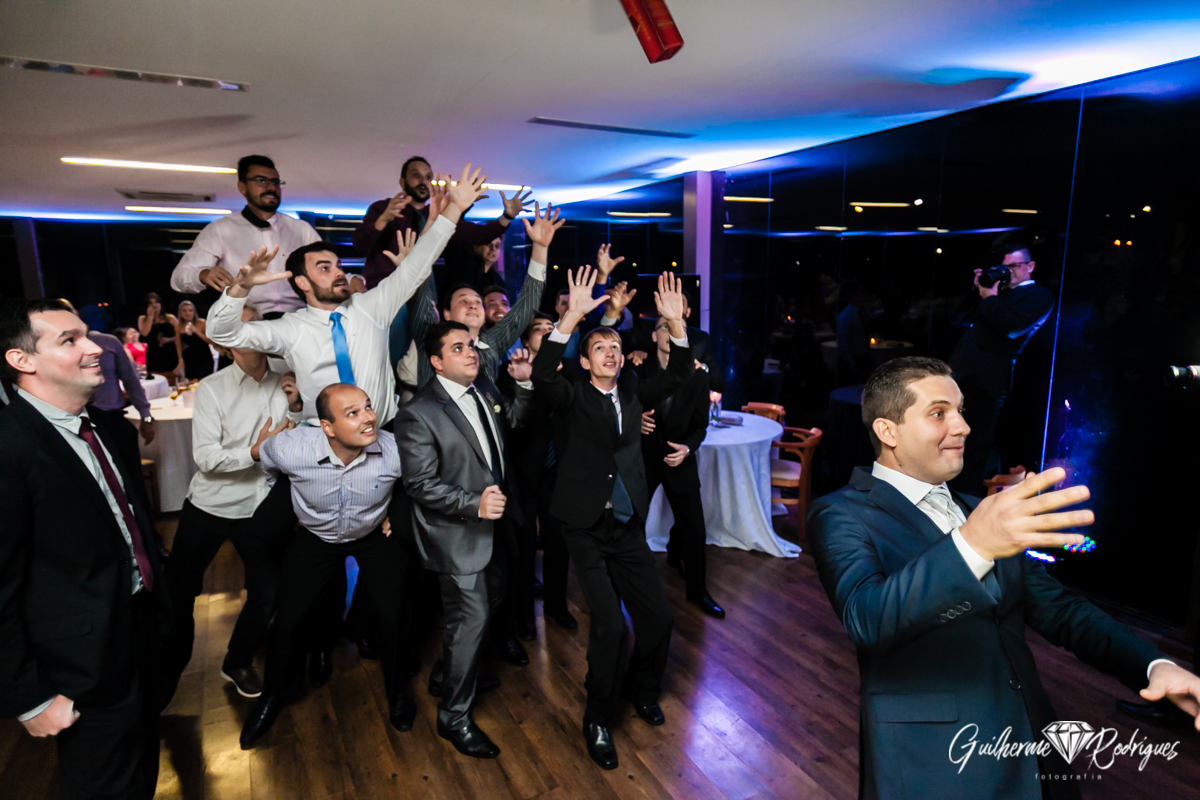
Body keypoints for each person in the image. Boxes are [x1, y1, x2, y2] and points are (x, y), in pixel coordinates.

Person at [806, 356, 1200, 799]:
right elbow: (868, 620)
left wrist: (1153, 665)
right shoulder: (841, 513)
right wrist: (972, 545)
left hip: (1031, 740)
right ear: (888, 431)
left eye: (960, 412)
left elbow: (1061, 610)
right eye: (939, 413)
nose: (962, 427)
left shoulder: (979, 509)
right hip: (932, 762)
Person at [1, 299, 168, 800]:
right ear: (22, 361)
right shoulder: (10, 449)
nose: (95, 348)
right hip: (79, 666)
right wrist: (29, 699)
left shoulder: (106, 428)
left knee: (140, 772)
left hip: (139, 635)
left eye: (87, 335)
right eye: (70, 340)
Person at [531, 268, 692, 770]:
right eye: (600, 347)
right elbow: (541, 376)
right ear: (585, 359)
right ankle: (598, 717)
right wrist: (572, 319)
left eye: (616, 347)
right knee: (608, 625)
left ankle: (642, 689)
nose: (611, 352)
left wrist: (676, 326)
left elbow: (681, 374)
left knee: (658, 619)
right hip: (583, 524)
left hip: (626, 526)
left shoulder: (633, 390)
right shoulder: (570, 395)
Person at [205, 163, 489, 428]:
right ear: (302, 282)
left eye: (338, 265)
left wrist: (453, 210)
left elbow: (418, 264)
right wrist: (240, 289)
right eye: (325, 268)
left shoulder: (371, 306)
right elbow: (223, 334)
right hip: (320, 445)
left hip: (383, 437)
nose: (339, 272)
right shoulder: (290, 328)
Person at [240, 383, 416, 747]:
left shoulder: (396, 451)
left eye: (368, 407)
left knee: (394, 616)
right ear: (327, 427)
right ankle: (272, 695)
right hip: (315, 536)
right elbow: (268, 463)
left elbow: (415, 486)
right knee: (288, 621)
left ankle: (398, 691)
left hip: (372, 536)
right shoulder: (292, 449)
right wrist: (289, 503)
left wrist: (395, 514)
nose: (369, 417)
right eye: (353, 413)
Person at [396, 321, 534, 758]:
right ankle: (453, 716)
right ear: (436, 362)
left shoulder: (485, 390)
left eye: (471, 345)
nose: (471, 352)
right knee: (469, 620)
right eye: (458, 348)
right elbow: (418, 484)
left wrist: (525, 386)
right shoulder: (419, 413)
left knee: (492, 599)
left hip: (495, 527)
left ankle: (448, 672)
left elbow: (512, 422)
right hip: (457, 534)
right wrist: (473, 503)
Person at [160, 302, 298, 704]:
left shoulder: (285, 383)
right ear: (227, 339)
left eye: (259, 325)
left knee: (267, 592)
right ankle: (165, 671)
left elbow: (297, 442)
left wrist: (296, 405)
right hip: (210, 506)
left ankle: (237, 661)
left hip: (260, 508)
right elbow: (205, 458)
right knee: (180, 591)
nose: (257, 333)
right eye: (246, 326)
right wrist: (254, 453)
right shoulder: (212, 389)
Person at [625, 301, 724, 619]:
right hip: (643, 458)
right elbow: (617, 408)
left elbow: (700, 425)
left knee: (694, 529)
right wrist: (635, 418)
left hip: (678, 457)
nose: (669, 331)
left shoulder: (697, 376)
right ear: (653, 338)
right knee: (632, 524)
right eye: (663, 326)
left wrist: (689, 449)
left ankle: (699, 592)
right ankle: (629, 588)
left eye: (674, 325)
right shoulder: (636, 367)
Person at [406, 202, 560, 390]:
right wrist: (438, 222)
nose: (472, 305)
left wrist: (540, 248)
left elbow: (527, 305)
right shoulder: (430, 339)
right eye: (464, 300)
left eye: (478, 302)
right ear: (446, 314)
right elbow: (420, 289)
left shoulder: (491, 343)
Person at [947, 243, 1055, 494]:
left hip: (988, 380)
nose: (1008, 272)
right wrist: (978, 290)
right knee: (953, 437)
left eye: (1014, 266)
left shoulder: (1039, 296)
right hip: (961, 373)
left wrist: (991, 297)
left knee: (976, 443)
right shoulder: (995, 293)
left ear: (1030, 266)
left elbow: (1012, 327)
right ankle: (951, 493)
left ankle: (972, 501)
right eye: (1003, 267)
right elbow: (957, 318)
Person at [498, 312, 577, 639]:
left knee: (559, 543)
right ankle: (523, 616)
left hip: (560, 472)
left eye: (552, 329)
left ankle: (557, 607)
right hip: (523, 474)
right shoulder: (510, 373)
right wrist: (524, 380)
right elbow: (512, 423)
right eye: (539, 330)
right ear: (526, 339)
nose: (546, 333)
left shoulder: (572, 371)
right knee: (524, 546)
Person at [170, 155, 323, 318]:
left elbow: (328, 268)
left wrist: (351, 280)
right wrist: (202, 275)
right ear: (242, 187)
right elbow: (178, 278)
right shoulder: (220, 230)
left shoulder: (301, 230)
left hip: (297, 319)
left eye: (275, 182)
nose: (271, 187)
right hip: (246, 320)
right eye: (261, 181)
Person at [352, 155, 531, 290]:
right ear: (402, 182)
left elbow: (479, 235)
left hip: (420, 295)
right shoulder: (383, 207)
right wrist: (384, 218)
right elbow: (360, 243)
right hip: (381, 290)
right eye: (416, 175)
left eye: (428, 177)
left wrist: (507, 215)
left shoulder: (439, 216)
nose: (423, 181)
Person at [138, 291, 181, 378]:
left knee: (172, 378)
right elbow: (144, 334)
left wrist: (169, 339)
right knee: (155, 377)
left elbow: (181, 336)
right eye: (151, 303)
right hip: (153, 354)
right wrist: (150, 317)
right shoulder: (142, 319)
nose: (154, 305)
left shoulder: (170, 318)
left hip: (169, 352)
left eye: (156, 302)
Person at [176, 300, 215, 380]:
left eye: (190, 310)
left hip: (203, 357)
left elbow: (210, 341)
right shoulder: (179, 326)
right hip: (189, 358)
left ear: (194, 312)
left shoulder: (201, 322)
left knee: (205, 382)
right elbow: (179, 344)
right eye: (184, 311)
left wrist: (196, 331)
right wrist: (180, 359)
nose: (187, 313)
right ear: (180, 313)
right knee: (192, 384)